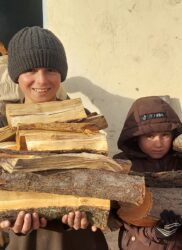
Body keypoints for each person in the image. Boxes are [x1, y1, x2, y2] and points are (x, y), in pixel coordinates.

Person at [0, 26, 108, 250]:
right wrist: (8, 219)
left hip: (80, 241)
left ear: (61, 73)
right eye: (30, 70)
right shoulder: (4, 128)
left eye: (50, 69)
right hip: (25, 242)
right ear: (16, 74)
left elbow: (105, 182)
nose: (41, 80)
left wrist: (88, 211)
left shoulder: (84, 124)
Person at [114, 96, 182, 250]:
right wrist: (155, 233)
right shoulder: (123, 167)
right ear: (135, 136)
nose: (158, 143)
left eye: (165, 135)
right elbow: (119, 217)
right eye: (149, 136)